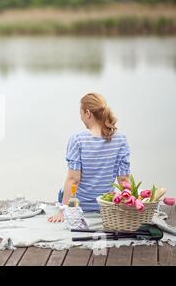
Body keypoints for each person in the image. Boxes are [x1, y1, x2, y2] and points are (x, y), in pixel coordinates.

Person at [48, 93, 130, 222]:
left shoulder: (77, 139)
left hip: (78, 206)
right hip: (105, 205)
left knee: (63, 190)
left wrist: (63, 211)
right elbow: (124, 179)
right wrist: (129, 207)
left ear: (87, 113)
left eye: (80, 113)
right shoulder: (120, 139)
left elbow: (73, 179)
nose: (80, 117)